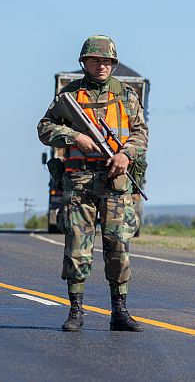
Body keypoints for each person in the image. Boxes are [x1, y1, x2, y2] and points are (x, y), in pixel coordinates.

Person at [38, 35, 148, 332]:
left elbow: (140, 134)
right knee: (77, 246)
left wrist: (126, 154)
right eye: (96, 60)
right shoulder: (70, 97)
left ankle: (119, 311)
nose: (102, 66)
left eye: (107, 61)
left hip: (115, 181)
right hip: (79, 181)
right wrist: (76, 137)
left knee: (118, 247)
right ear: (84, 62)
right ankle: (76, 311)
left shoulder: (126, 95)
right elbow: (44, 128)